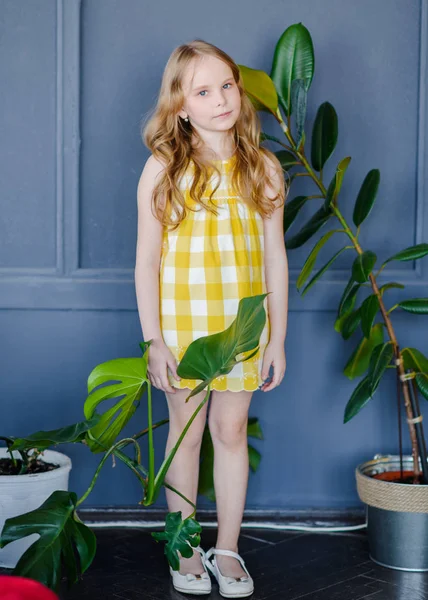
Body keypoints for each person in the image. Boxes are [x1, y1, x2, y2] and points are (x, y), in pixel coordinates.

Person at [135, 39, 289, 597]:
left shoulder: (262, 167)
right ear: (180, 106)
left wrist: (276, 339)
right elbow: (146, 261)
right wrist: (155, 339)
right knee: (187, 434)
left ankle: (227, 549)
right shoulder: (163, 169)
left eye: (227, 85)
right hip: (183, 330)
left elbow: (275, 257)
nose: (221, 99)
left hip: (243, 333)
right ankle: (184, 549)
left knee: (229, 432)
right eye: (203, 91)